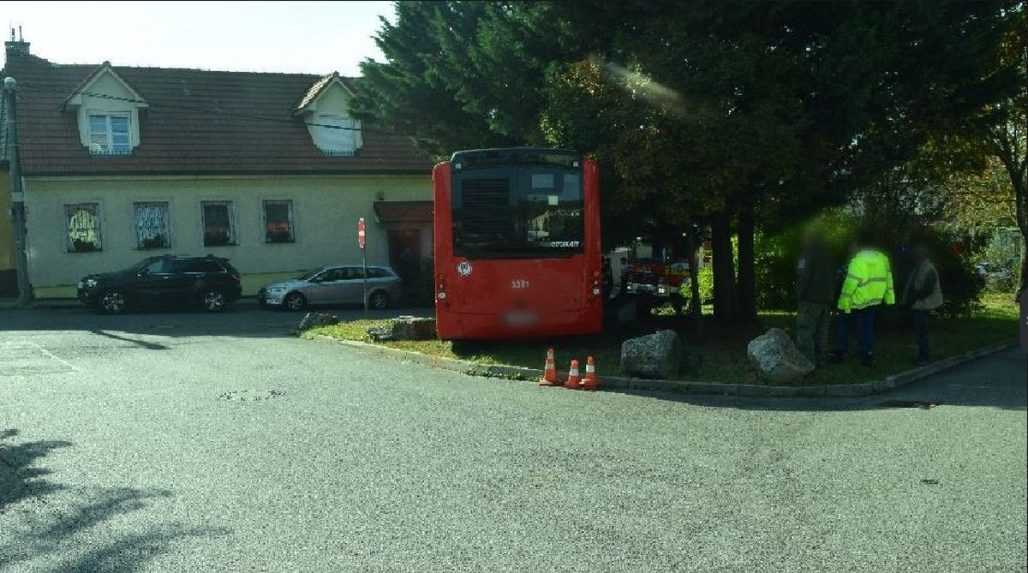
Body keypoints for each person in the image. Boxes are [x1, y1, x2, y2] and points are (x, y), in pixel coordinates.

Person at [832, 235, 895, 367]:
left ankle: (841, 352)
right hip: (873, 300)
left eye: (852, 246)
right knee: (867, 328)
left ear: (858, 246)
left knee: (843, 324)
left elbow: (850, 284)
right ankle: (866, 354)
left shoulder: (857, 261)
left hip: (856, 301)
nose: (850, 249)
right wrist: (889, 298)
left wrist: (843, 302)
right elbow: (889, 279)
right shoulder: (883, 259)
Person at [795, 229, 836, 367]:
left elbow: (803, 276)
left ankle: (807, 363)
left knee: (805, 332)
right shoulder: (828, 254)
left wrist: (799, 295)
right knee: (822, 333)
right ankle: (822, 361)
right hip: (826, 300)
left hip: (810, 300)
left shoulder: (806, 254)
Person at [901, 245, 943, 365]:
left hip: (922, 305)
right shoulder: (921, 267)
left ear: (921, 256)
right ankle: (921, 356)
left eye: (916, 255)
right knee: (920, 333)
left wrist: (912, 300)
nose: (914, 258)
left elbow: (927, 290)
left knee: (922, 333)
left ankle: (924, 358)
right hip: (919, 305)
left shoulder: (928, 268)